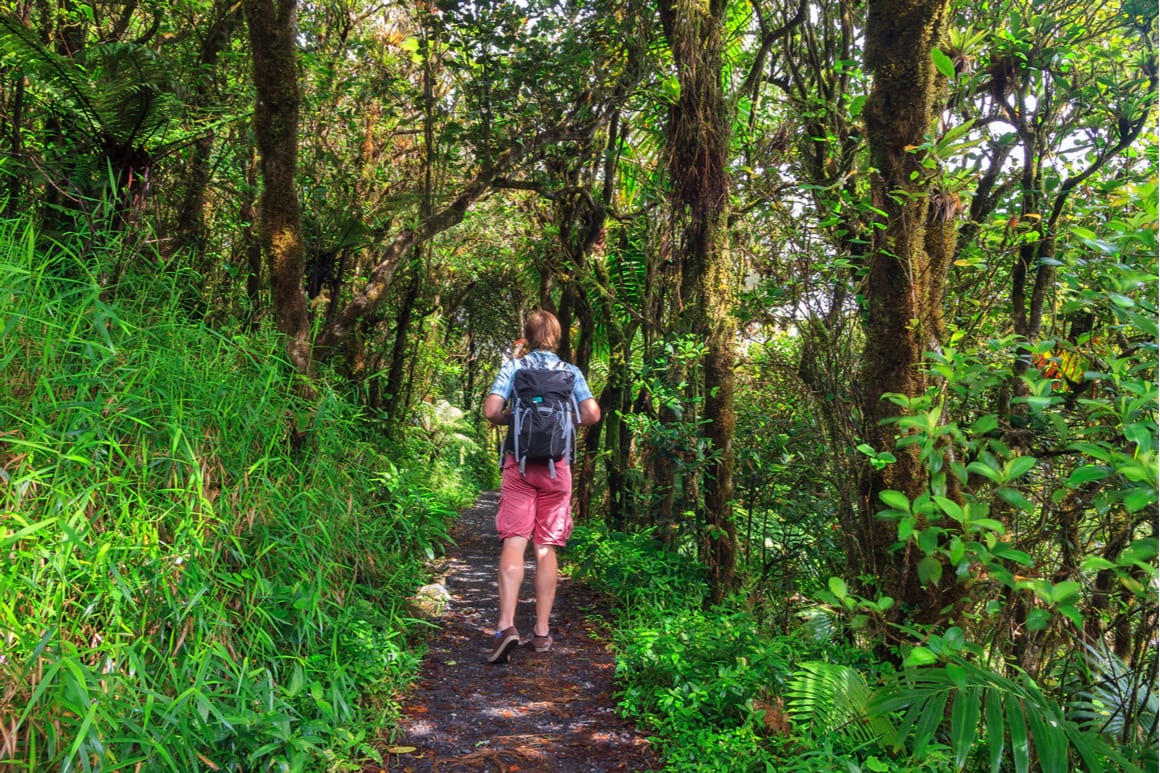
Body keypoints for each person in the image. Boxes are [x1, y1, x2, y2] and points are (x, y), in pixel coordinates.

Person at [482, 310, 601, 663]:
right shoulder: (570, 372)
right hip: (557, 469)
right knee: (547, 547)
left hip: (518, 465)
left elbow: (491, 410)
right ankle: (543, 632)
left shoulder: (514, 368)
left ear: (528, 335)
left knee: (515, 541)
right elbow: (593, 414)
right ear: (558, 337)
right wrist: (565, 421)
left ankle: (506, 626)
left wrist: (514, 418)